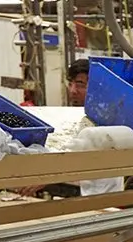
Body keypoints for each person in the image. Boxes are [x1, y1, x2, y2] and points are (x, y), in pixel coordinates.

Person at [17, 60, 91, 197]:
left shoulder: (104, 121)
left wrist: (48, 176)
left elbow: (86, 158)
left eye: (80, 85)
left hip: (97, 197)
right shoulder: (70, 118)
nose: (73, 91)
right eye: (70, 84)